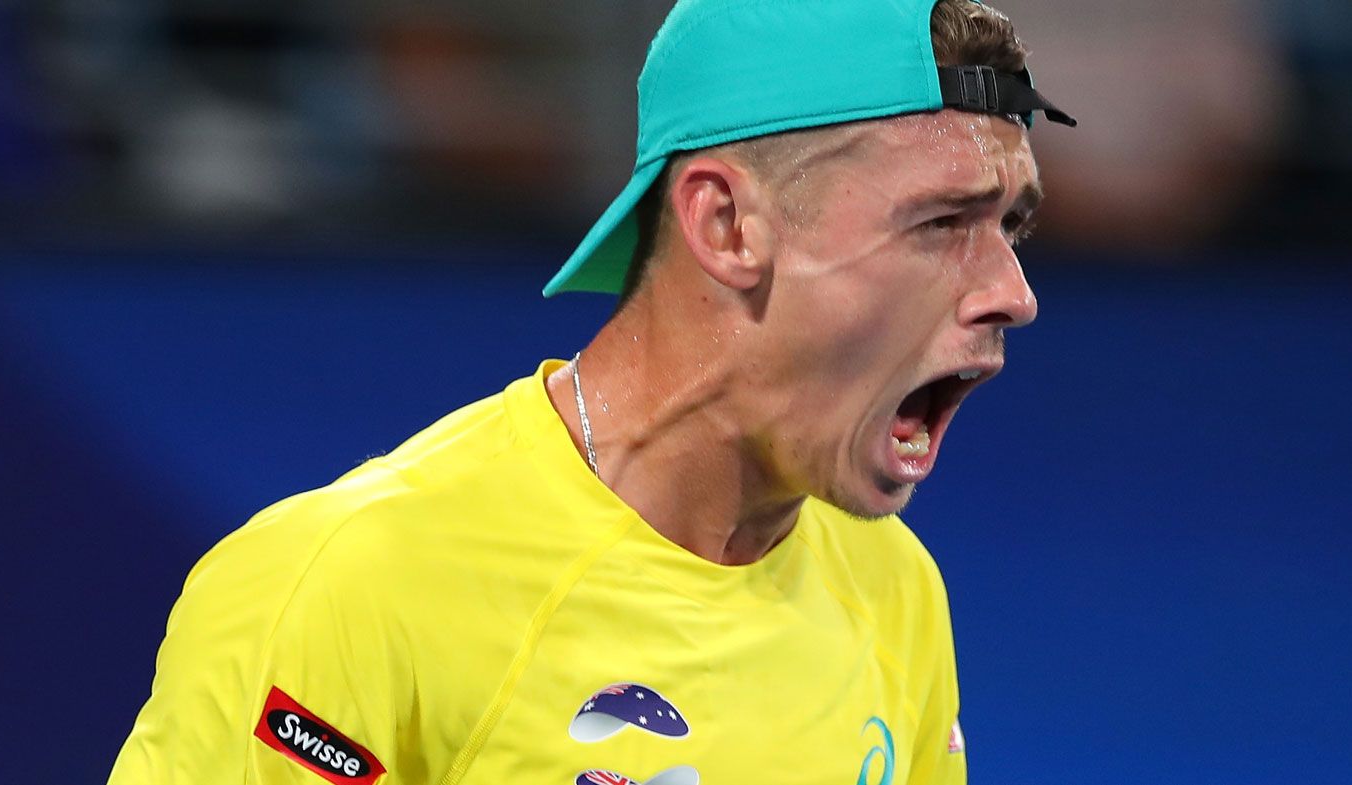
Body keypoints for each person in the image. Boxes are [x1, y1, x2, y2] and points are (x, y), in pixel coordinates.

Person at [107, 0, 1073, 783]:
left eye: (1011, 226)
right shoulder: (346, 586)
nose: (1012, 293)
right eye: (943, 222)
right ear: (729, 225)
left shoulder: (893, 590)